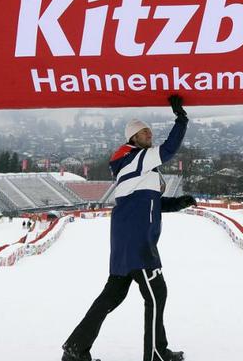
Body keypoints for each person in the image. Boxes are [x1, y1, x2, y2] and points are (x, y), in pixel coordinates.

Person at [62, 95, 195, 361]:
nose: (150, 135)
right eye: (145, 132)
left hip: (126, 242)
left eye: (150, 132)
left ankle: (76, 349)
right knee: (156, 294)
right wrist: (181, 119)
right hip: (138, 243)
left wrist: (175, 203)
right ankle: (156, 353)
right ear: (133, 138)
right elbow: (169, 149)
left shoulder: (135, 166)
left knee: (112, 297)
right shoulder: (137, 158)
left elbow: (146, 202)